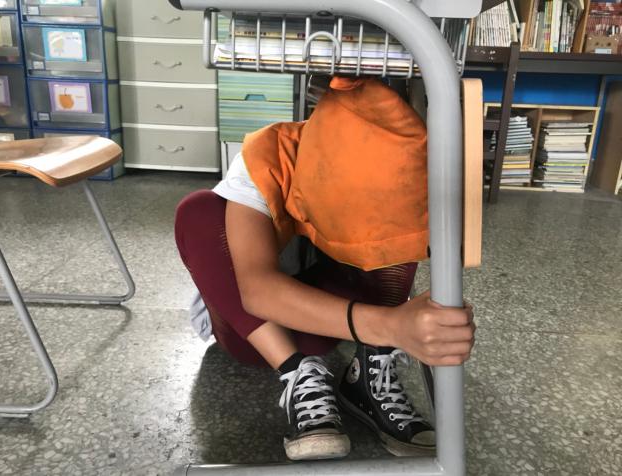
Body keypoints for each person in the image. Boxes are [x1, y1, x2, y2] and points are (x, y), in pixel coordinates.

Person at [175, 76, 475, 461]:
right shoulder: (269, 154)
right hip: (252, 332)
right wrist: (392, 325)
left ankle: (369, 369)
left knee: (400, 223)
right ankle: (297, 372)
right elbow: (257, 290)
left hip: (329, 325)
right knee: (197, 211)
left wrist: (433, 323)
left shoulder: (408, 165)